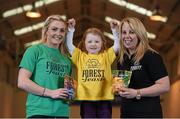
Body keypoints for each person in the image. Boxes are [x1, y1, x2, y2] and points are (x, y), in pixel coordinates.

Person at [17, 15, 73, 118]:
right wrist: (50, 92)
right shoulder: (34, 51)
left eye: (62, 30)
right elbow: (22, 82)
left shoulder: (67, 60)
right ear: (46, 31)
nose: (58, 33)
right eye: (54, 29)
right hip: (39, 112)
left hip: (62, 114)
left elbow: (66, 89)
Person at [116, 17, 170, 118]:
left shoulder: (151, 56)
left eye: (131, 32)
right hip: (126, 114)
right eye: (124, 32)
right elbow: (121, 85)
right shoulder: (122, 59)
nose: (127, 36)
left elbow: (165, 86)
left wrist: (137, 93)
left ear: (139, 34)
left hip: (148, 113)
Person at [66, 19, 120, 118]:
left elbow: (117, 46)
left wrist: (115, 30)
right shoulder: (80, 56)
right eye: (90, 41)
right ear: (84, 43)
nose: (93, 44)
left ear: (102, 43)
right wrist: (71, 30)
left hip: (104, 99)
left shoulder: (106, 56)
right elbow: (69, 45)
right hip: (87, 100)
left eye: (97, 41)